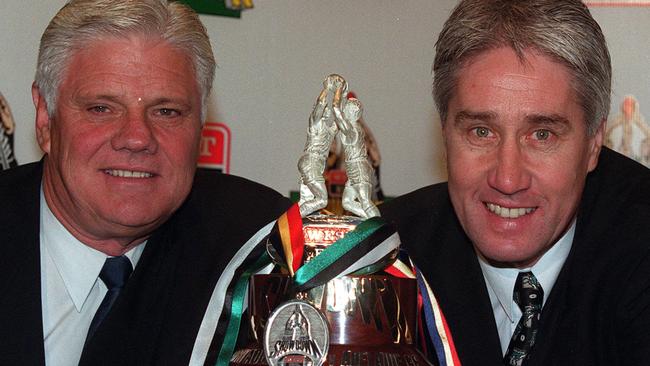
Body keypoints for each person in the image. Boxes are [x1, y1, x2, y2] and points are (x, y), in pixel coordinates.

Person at [0, 1, 290, 365]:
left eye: (166, 111)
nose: (137, 137)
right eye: (101, 108)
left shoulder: (265, 248)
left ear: (200, 126)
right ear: (45, 119)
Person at [379, 1, 650, 365]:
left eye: (542, 135)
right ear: (445, 133)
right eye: (481, 131)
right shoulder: (386, 257)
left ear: (593, 143)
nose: (507, 179)